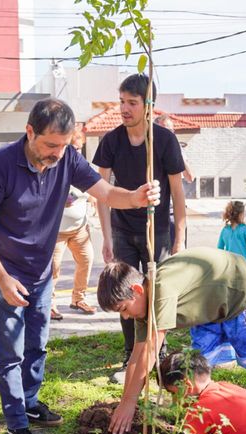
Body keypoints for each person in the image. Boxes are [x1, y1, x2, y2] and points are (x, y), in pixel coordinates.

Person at [0, 98, 161, 434]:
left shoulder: (68, 158)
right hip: (5, 275)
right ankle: (16, 423)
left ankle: (30, 402)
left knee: (37, 344)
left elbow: (104, 193)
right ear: (30, 132)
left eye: (64, 145)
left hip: (41, 273)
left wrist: (135, 197)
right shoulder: (1, 166)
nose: (58, 154)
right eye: (50, 145)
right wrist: (3, 279)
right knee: (10, 351)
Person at [97, 247, 246, 434]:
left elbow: (151, 350)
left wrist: (129, 403)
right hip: (207, 306)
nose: (126, 317)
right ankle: (199, 428)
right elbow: (136, 356)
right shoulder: (142, 307)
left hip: (235, 288)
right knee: (194, 375)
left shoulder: (161, 289)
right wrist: (125, 402)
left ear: (136, 290)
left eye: (124, 308)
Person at [94, 74, 187, 368]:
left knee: (156, 291)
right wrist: (106, 237)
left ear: (148, 106)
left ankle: (157, 353)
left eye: (132, 103)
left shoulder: (164, 140)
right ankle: (130, 354)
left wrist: (179, 238)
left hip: (156, 230)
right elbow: (102, 193)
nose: (125, 108)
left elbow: (177, 191)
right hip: (122, 230)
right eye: (122, 101)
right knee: (124, 293)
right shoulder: (110, 141)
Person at [50, 126, 97, 320]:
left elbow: (95, 190)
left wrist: (91, 200)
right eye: (73, 148)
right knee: (53, 268)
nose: (76, 152)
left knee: (86, 260)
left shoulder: (81, 166)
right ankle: (49, 304)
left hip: (79, 228)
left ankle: (78, 298)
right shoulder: (55, 167)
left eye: (79, 148)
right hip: (57, 230)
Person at [154, 113, 194, 250]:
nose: (168, 134)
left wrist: (177, 152)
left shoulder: (178, 150)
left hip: (173, 211)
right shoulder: (150, 150)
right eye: (164, 130)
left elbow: (190, 177)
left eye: (171, 131)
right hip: (155, 212)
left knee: (178, 256)